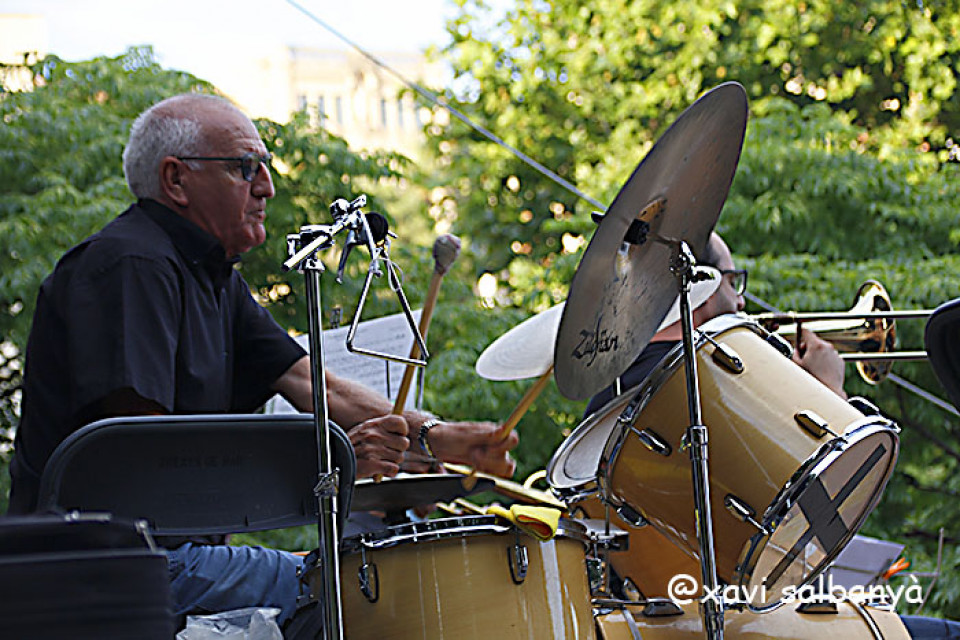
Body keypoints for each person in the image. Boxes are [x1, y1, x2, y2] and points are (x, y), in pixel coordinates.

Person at [6, 93, 517, 626]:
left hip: (173, 560)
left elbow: (315, 384)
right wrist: (333, 466)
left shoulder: (215, 279)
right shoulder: (131, 264)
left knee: (376, 573)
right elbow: (150, 463)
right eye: (245, 167)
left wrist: (432, 438)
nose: (267, 187)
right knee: (368, 591)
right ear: (176, 179)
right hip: (110, 568)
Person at [586, 231, 960, 639]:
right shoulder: (708, 382)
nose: (741, 302)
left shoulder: (608, 400)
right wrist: (830, 393)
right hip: (750, 622)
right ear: (698, 283)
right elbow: (831, 513)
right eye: (733, 282)